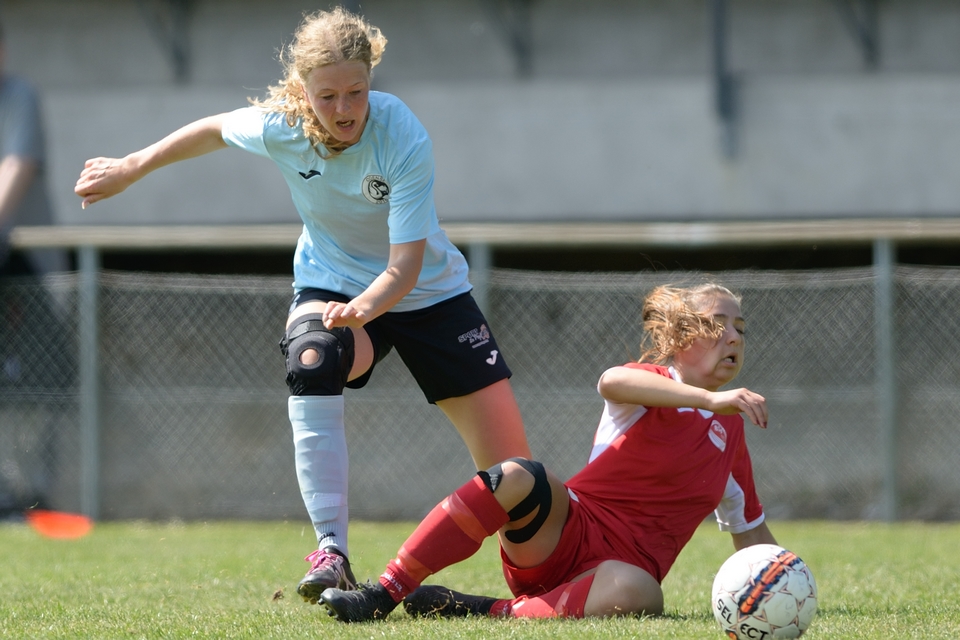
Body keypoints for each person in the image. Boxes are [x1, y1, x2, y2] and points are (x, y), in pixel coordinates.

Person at [73, 7, 530, 602]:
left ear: (371, 80)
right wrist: (132, 167)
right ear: (303, 90)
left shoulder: (401, 133)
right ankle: (331, 552)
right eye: (327, 96)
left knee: (519, 481)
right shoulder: (282, 126)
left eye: (356, 92)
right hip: (332, 284)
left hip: (429, 296)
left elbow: (405, 267)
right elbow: (214, 128)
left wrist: (365, 308)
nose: (343, 109)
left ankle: (549, 579)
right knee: (313, 356)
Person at [320, 283, 777, 622]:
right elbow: (611, 381)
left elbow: (750, 530)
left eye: (740, 328)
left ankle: (482, 609)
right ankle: (383, 593)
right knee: (518, 474)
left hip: (617, 577)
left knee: (642, 594)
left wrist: (785, 580)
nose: (734, 337)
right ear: (678, 338)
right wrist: (709, 399)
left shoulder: (731, 430)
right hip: (566, 533)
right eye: (717, 325)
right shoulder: (652, 383)